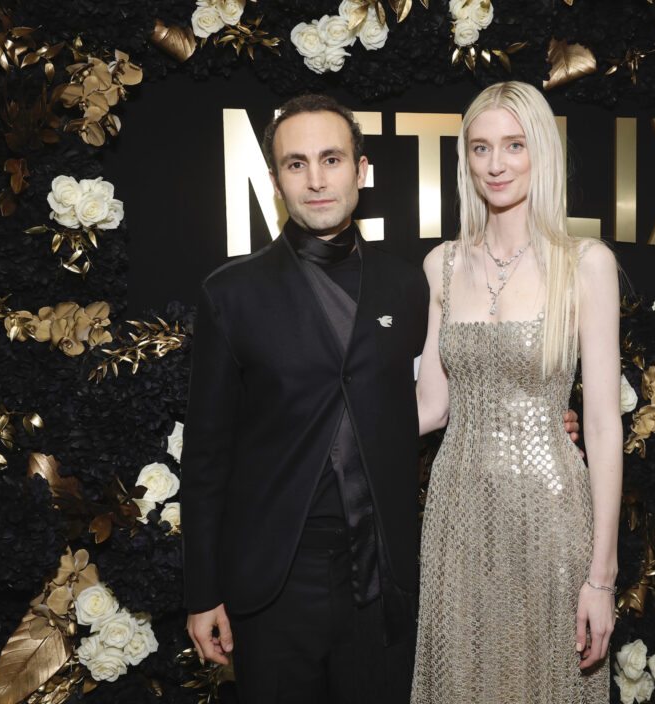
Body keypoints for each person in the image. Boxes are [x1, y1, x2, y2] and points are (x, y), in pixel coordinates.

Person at [180, 94, 428, 703]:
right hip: (275, 582)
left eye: (331, 159)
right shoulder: (230, 294)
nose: (316, 180)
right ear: (274, 181)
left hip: (383, 574)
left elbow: (440, 400)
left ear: (361, 171)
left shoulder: (407, 283)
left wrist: (543, 420)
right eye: (296, 164)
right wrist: (201, 592)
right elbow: (207, 455)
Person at [412, 81, 623, 703]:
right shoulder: (441, 266)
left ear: (542, 154)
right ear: (465, 159)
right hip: (456, 519)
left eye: (513, 145)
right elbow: (430, 407)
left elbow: (605, 425)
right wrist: (321, 411)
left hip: (555, 516)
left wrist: (602, 577)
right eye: (480, 148)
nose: (496, 164)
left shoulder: (586, 264)